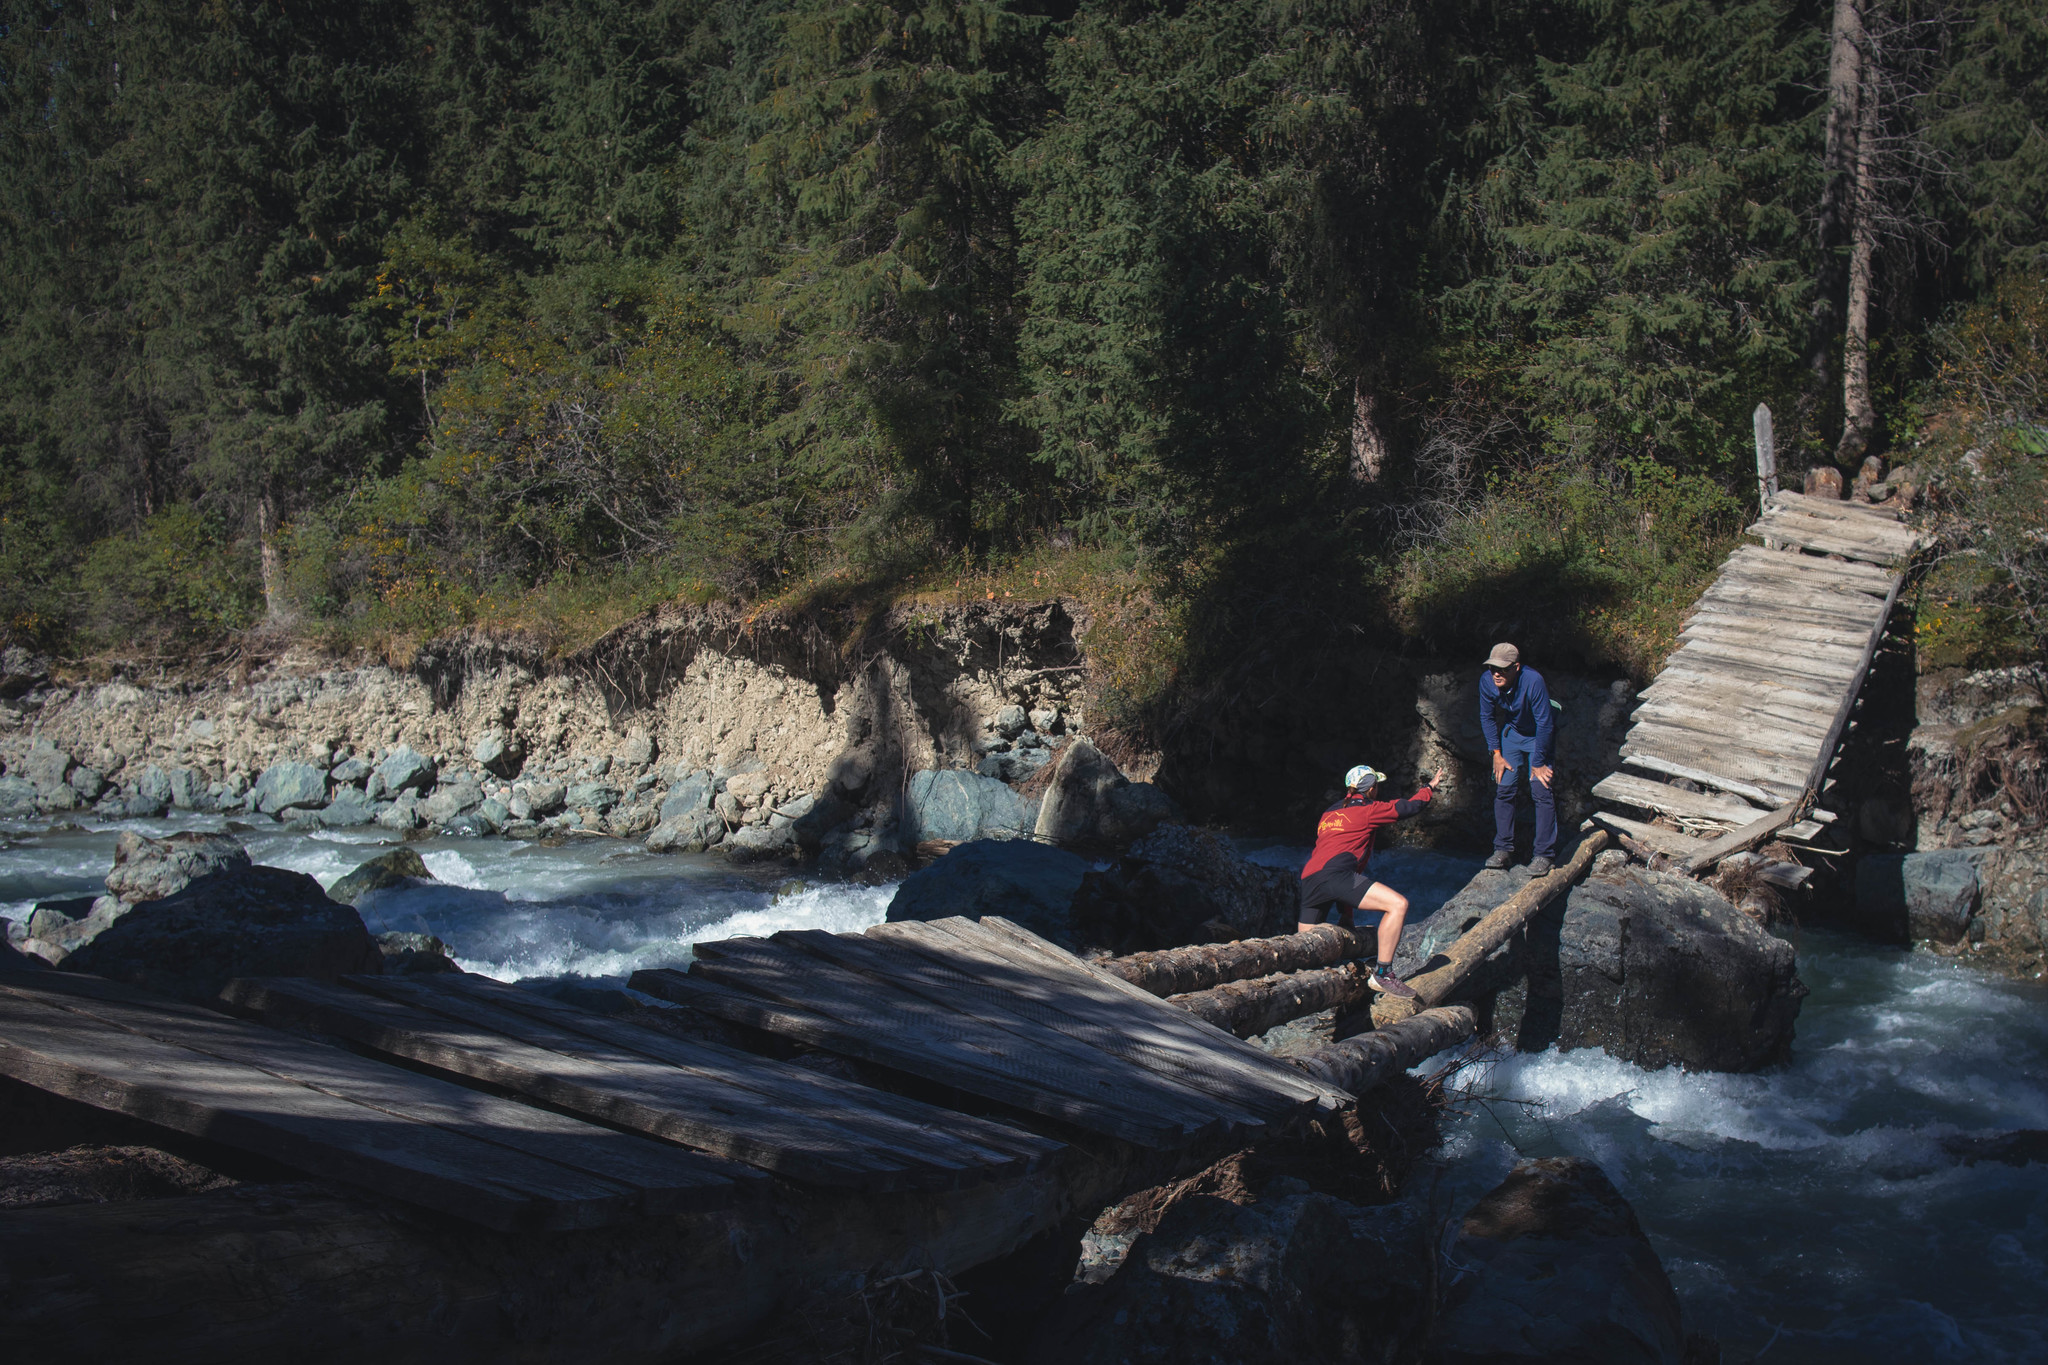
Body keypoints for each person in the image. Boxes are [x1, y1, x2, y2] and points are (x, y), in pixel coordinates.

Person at [1297, 762, 1446, 1000]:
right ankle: (1384, 974)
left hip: (1309, 879)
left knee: (1302, 952)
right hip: (1336, 876)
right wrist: (1429, 787)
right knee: (1398, 905)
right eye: (1377, 785)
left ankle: (1297, 994)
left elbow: (1335, 859)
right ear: (1371, 789)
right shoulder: (1368, 810)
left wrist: (1347, 915)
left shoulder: (1328, 814)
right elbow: (1410, 806)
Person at [1479, 642, 1556, 874]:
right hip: (1512, 734)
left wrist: (1540, 762)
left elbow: (1545, 723)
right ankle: (1503, 849)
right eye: (1493, 668)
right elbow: (1487, 716)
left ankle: (1544, 854)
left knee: (1541, 789)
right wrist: (1496, 754)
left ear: (1516, 667)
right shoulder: (1486, 681)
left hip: (1538, 736)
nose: (1496, 673)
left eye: (1502, 669)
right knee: (1504, 788)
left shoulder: (1533, 681)